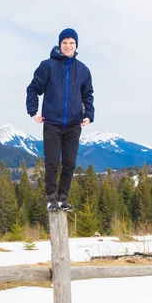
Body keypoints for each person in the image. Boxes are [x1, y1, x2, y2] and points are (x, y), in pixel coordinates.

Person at [26, 28, 94, 212]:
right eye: (65, 42)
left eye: (72, 43)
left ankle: (63, 198)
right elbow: (33, 89)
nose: (68, 46)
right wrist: (33, 111)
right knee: (52, 163)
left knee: (70, 163)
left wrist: (89, 114)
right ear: (60, 44)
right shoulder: (47, 66)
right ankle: (51, 199)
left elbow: (88, 95)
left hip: (73, 124)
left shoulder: (83, 70)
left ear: (76, 45)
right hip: (52, 123)